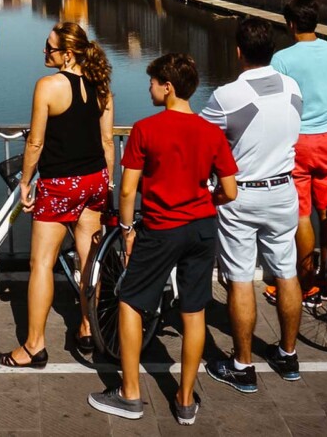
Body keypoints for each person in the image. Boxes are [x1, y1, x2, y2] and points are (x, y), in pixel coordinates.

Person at [87, 53, 237, 425]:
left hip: (161, 227)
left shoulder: (145, 129)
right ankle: (185, 401)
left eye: (153, 82)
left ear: (167, 87)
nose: (149, 87)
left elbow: (127, 192)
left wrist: (125, 230)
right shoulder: (211, 132)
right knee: (194, 309)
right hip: (202, 228)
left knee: (131, 300)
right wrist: (204, 200)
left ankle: (130, 393)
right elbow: (230, 191)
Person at [0, 22, 113, 367]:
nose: (44, 52)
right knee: (89, 262)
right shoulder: (101, 86)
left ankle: (34, 345)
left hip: (60, 183)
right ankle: (88, 328)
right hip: (94, 180)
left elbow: (35, 141)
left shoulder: (48, 86)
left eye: (49, 48)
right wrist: (107, 182)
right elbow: (108, 141)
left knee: (42, 264)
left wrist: (25, 181)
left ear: (68, 53)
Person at [201, 17, 304, 393]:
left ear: (239, 51)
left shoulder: (229, 95)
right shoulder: (292, 87)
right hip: (283, 190)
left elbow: (202, 139)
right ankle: (288, 355)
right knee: (286, 272)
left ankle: (242, 366)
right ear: (271, 51)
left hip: (241, 194)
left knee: (241, 279)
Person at [270, 0, 327, 301]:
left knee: (301, 214)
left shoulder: (282, 59)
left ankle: (306, 281)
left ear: (292, 24)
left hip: (297, 142)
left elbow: (271, 100)